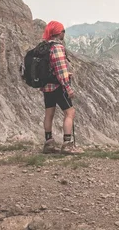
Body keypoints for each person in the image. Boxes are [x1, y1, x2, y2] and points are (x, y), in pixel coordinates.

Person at [40, 21, 82, 155]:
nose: (64, 33)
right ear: (59, 33)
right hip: (58, 86)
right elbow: (60, 70)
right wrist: (67, 87)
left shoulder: (45, 46)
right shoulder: (57, 48)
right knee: (70, 113)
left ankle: (48, 143)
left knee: (49, 114)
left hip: (46, 86)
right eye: (63, 30)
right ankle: (67, 145)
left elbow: (51, 68)